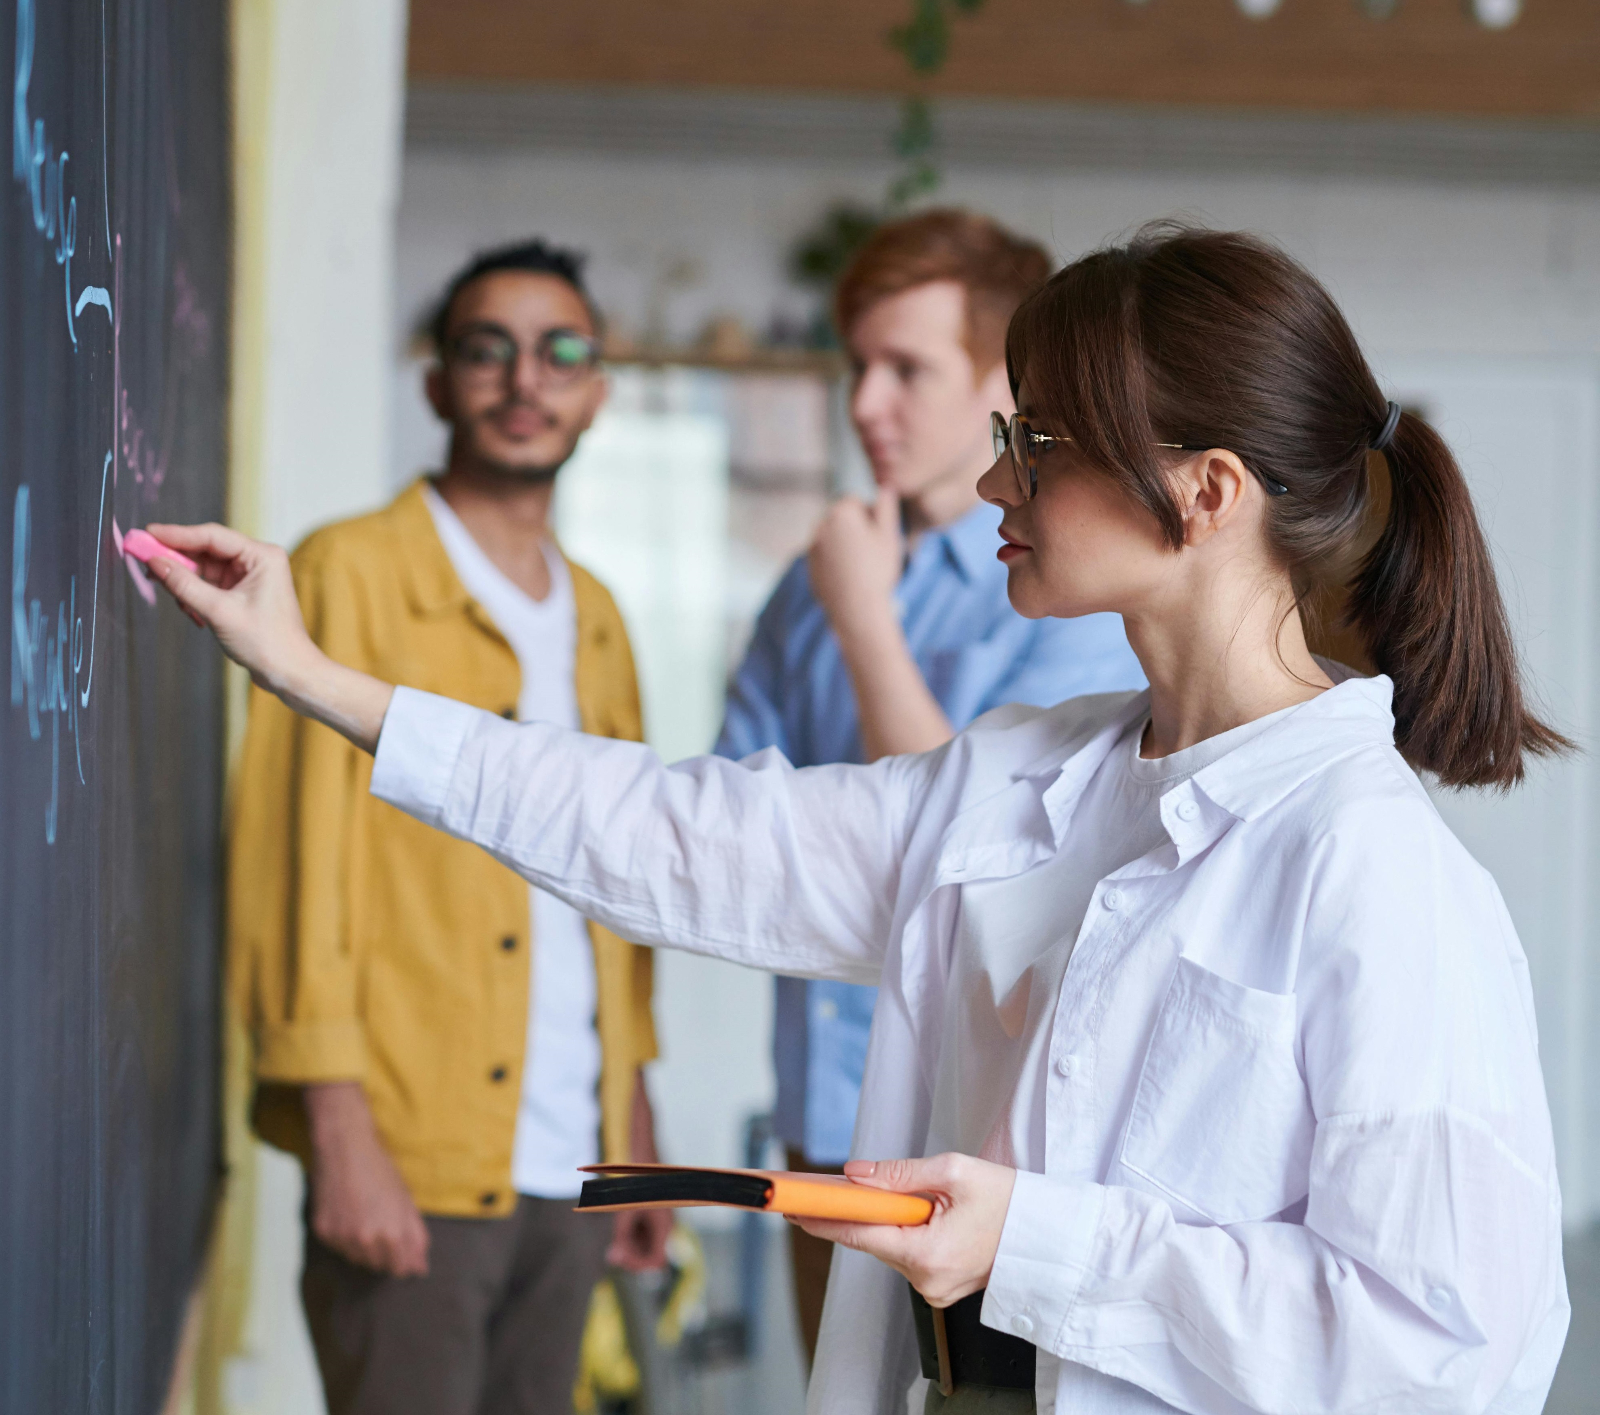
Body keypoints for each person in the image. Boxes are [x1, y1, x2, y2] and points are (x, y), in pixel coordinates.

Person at [153, 224, 1570, 1415]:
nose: (997, 478)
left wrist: (1041, 1241)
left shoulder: (1376, 875)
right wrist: (324, 678)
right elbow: (680, 833)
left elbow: (1444, 1345)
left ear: (1206, 492)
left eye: (1040, 440)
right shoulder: (1022, 776)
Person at [226, 239, 668, 1415]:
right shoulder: (349, 573)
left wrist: (636, 1115)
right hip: (412, 1153)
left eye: (560, 352)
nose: (526, 380)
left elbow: (614, 881)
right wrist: (338, 1132)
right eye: (489, 349)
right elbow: (288, 861)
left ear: (597, 393)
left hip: (574, 1166)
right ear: (436, 385)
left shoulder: (603, 618)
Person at [716, 210, 1144, 1359]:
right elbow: (737, 832)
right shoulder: (807, 589)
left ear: (999, 386)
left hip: (993, 1143)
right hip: (824, 1120)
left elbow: (980, 850)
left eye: (905, 368)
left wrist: (863, 618)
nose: (866, 403)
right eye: (856, 365)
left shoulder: (1086, 594)